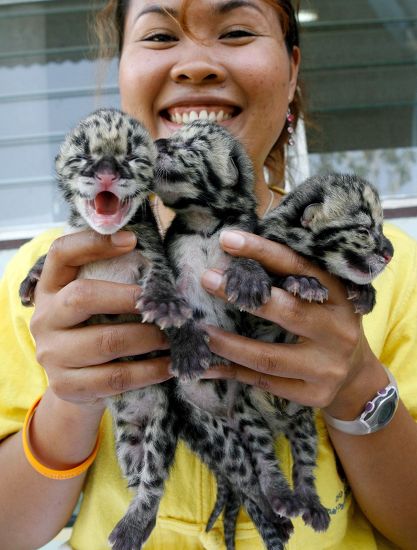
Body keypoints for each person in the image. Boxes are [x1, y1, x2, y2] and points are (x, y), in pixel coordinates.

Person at [0, 1, 416, 548]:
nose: (196, 64)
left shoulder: (393, 270)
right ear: (121, 72)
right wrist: (70, 400)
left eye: (238, 30)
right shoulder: (51, 277)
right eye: (158, 37)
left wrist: (359, 387)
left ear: (292, 71)